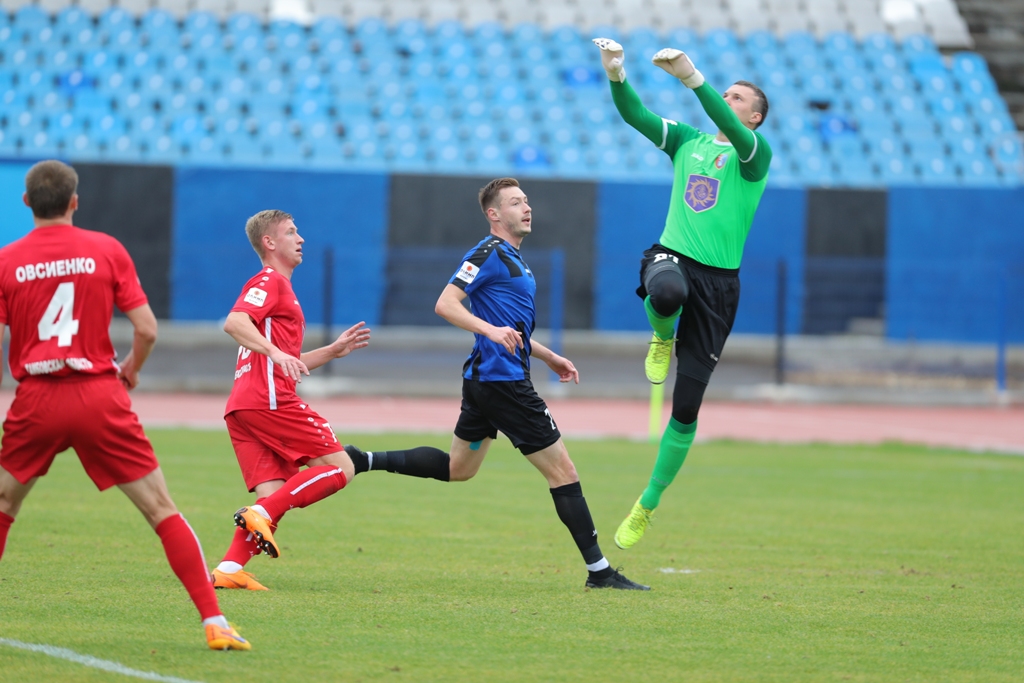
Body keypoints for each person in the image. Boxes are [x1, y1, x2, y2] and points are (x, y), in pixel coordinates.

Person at [344, 178, 648, 591]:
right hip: (503, 384)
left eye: (526, 201)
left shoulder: (514, 258)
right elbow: (445, 303)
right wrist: (489, 330)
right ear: (493, 214)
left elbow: (512, 329)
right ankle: (600, 572)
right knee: (564, 472)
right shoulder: (485, 253)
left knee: (458, 469)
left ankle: (363, 459)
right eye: (515, 203)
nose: (526, 208)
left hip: (486, 382)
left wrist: (549, 355)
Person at [0, 160, 249, 651]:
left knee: (4, 505)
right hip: (100, 393)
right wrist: (131, 369)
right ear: (75, 202)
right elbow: (148, 329)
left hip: (38, 398)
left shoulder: (7, 260)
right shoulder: (105, 250)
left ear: (26, 203)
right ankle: (214, 621)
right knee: (160, 509)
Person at [592, 39, 773, 549]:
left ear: (755, 118)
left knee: (687, 406)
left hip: (721, 285)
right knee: (666, 292)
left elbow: (730, 125)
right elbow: (637, 116)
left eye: (739, 98)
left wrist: (694, 77)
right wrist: (616, 73)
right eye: (728, 94)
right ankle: (661, 336)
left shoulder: (754, 157)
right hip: (673, 256)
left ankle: (645, 505)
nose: (729, 100)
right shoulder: (688, 142)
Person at [211, 209, 371, 591]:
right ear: (269, 243)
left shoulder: (279, 288)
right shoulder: (271, 281)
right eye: (291, 232)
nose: (300, 239)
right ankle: (260, 513)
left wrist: (330, 352)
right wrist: (275, 352)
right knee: (340, 467)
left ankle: (230, 569)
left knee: (274, 490)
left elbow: (286, 362)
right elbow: (234, 322)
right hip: (268, 401)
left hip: (244, 406)